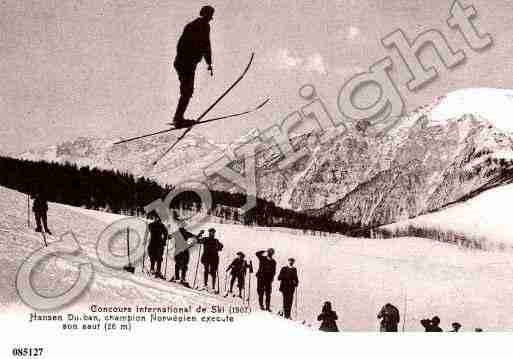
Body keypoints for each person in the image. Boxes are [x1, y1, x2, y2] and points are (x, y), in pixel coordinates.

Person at [173, 5, 215, 128]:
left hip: (182, 62)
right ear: (207, 15)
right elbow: (206, 45)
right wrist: (208, 63)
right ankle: (178, 119)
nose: (210, 18)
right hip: (186, 63)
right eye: (210, 16)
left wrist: (207, 62)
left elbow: (181, 44)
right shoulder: (203, 26)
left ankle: (178, 117)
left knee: (186, 91)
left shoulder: (192, 25)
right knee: (187, 91)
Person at [170, 212, 203, 287]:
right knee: (184, 265)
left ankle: (177, 277)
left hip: (178, 251)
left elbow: (169, 237)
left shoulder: (176, 233)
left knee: (177, 264)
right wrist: (199, 235)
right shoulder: (186, 233)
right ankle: (182, 278)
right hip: (184, 251)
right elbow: (195, 237)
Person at [198, 227, 223, 292]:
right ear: (209, 233)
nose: (212, 233)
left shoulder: (216, 241)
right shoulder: (205, 239)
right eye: (211, 232)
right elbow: (198, 241)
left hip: (213, 259)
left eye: (213, 232)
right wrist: (200, 234)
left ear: (214, 233)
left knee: (213, 272)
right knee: (206, 270)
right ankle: (205, 285)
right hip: (206, 258)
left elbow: (221, 247)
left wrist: (219, 247)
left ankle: (213, 287)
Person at [147, 213, 168, 279]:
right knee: (153, 256)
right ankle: (153, 269)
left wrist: (164, 241)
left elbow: (166, 234)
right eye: (155, 218)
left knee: (158, 257)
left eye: (157, 218)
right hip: (153, 242)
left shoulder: (160, 225)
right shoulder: (152, 225)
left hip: (158, 243)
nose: (155, 219)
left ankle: (157, 270)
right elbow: (165, 233)